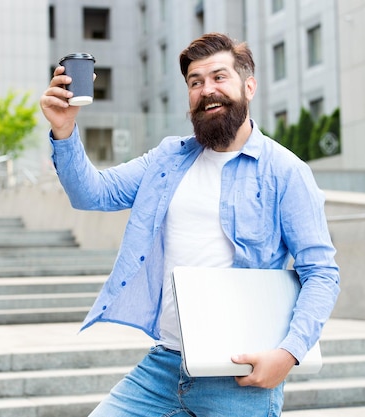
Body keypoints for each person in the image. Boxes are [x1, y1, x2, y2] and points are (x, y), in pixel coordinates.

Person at [40, 32, 340, 417]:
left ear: (249, 87)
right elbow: (93, 194)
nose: (206, 90)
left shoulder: (285, 172)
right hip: (165, 365)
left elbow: (322, 273)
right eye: (195, 82)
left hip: (239, 373)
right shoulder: (168, 159)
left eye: (219, 77)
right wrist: (64, 131)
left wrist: (288, 353)